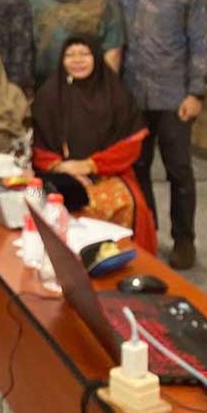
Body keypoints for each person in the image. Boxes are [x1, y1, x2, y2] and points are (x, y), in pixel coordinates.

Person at [115, 0, 207, 269]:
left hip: (174, 98)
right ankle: (148, 232)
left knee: (179, 170)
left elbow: (200, 46)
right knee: (138, 168)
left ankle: (184, 239)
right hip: (134, 99)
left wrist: (195, 93)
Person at [31, 35, 157, 254]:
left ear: (96, 57)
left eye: (84, 54)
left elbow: (130, 147)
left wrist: (90, 165)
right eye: (70, 55)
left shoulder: (117, 95)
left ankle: (124, 261)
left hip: (110, 172)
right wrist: (62, 168)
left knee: (129, 203)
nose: (77, 60)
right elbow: (38, 146)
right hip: (59, 173)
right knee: (46, 203)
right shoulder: (48, 95)